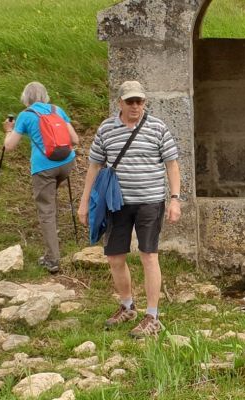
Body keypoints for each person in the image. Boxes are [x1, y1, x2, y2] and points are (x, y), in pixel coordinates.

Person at [77, 81, 183, 337]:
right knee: (115, 257)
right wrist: (84, 201)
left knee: (149, 256)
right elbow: (94, 165)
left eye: (140, 101)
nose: (136, 106)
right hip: (117, 203)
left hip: (150, 201)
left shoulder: (157, 127)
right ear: (120, 103)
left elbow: (172, 164)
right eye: (130, 102)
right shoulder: (106, 129)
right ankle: (127, 305)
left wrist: (175, 198)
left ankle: (153, 315)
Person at [3, 82, 79, 274]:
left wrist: (8, 130)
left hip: (44, 168)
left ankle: (52, 260)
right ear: (45, 95)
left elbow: (9, 146)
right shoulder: (57, 110)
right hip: (67, 163)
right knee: (50, 199)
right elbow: (75, 140)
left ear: (25, 98)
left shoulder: (25, 116)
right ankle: (53, 243)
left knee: (46, 210)